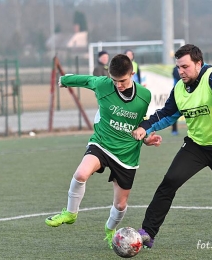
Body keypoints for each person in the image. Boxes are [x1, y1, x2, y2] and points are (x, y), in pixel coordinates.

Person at [45, 54, 162, 249]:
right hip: (101, 143)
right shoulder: (103, 84)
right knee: (81, 173)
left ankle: (110, 231)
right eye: (114, 80)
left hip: (127, 154)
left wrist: (147, 138)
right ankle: (70, 213)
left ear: (132, 73)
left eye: (123, 81)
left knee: (120, 206)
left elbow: (140, 124)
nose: (118, 85)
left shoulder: (144, 96)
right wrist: (64, 80)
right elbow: (85, 80)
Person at [132, 44, 212, 248]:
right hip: (197, 146)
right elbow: (166, 115)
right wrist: (145, 128)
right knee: (169, 182)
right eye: (178, 68)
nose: (181, 71)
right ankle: (148, 232)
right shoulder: (179, 90)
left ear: (198, 63)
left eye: (185, 66)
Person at [171, 66, 181, 135]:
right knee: (174, 112)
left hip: (188, 92)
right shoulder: (175, 69)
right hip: (177, 93)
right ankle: (174, 130)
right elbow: (178, 77)